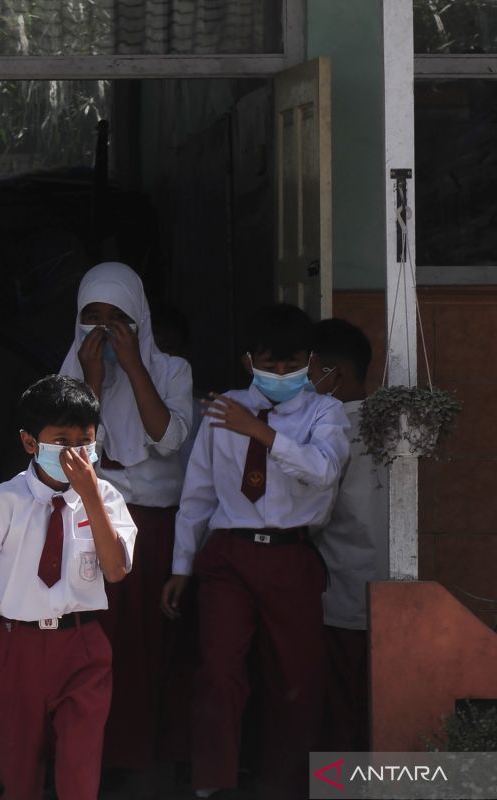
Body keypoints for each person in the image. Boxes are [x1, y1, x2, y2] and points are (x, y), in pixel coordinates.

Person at [161, 303, 349, 799]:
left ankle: (284, 785)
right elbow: (198, 494)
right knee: (219, 669)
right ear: (249, 362)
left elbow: (325, 469)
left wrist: (262, 433)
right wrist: (182, 565)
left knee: (296, 675)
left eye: (292, 365)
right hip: (229, 555)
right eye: (270, 365)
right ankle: (214, 784)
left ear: (310, 362)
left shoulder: (324, 411)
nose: (281, 375)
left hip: (291, 555)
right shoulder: (221, 409)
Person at [0, 375, 138, 800]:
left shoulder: (108, 498)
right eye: (62, 441)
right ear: (30, 443)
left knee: (79, 773)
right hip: (15, 646)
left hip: (82, 644)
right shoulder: (1, 501)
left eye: (86, 440)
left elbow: (115, 571)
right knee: (17, 771)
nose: (76, 453)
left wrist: (91, 496)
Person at [58, 263, 194, 779]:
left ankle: (143, 762)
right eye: (92, 317)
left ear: (141, 321)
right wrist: (91, 381)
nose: (104, 329)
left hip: (151, 529)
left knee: (145, 650)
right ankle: (91, 763)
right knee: (92, 649)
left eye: (119, 318)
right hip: (85, 528)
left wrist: (134, 367)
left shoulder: (172, 370)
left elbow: (167, 438)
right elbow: (66, 454)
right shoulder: (67, 377)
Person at [309, 318, 389, 752]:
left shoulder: (327, 430)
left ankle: (337, 789)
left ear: (331, 373)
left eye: (305, 372)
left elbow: (311, 517)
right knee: (380, 715)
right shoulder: (395, 427)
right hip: (394, 593)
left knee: (339, 717)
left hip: (338, 595)